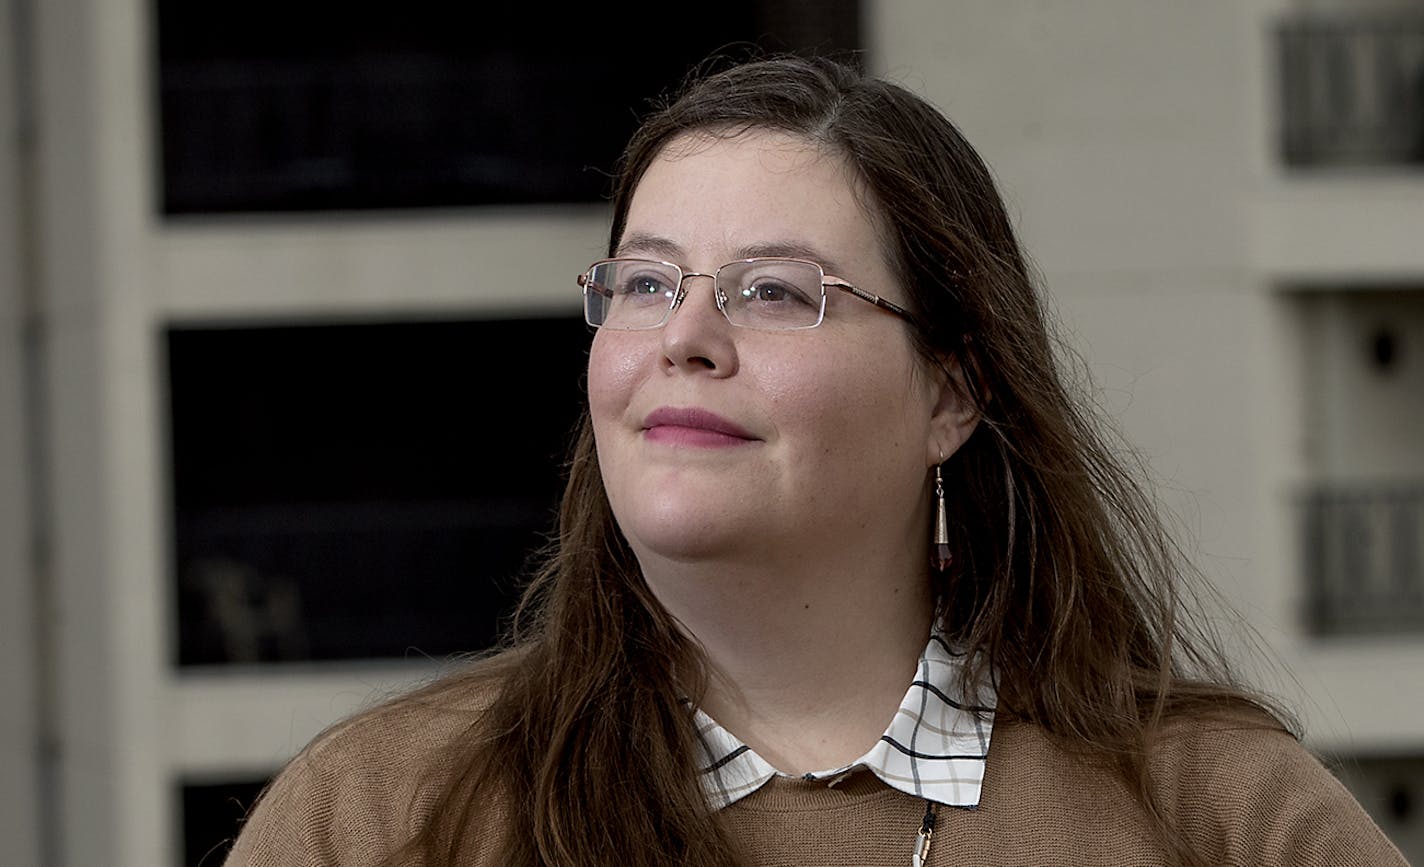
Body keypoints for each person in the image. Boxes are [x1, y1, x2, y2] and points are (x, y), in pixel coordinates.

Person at [223, 55, 1408, 867]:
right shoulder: (380, 816)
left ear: (950, 391)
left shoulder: (1218, 813)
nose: (683, 336)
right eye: (643, 283)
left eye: (773, 292)